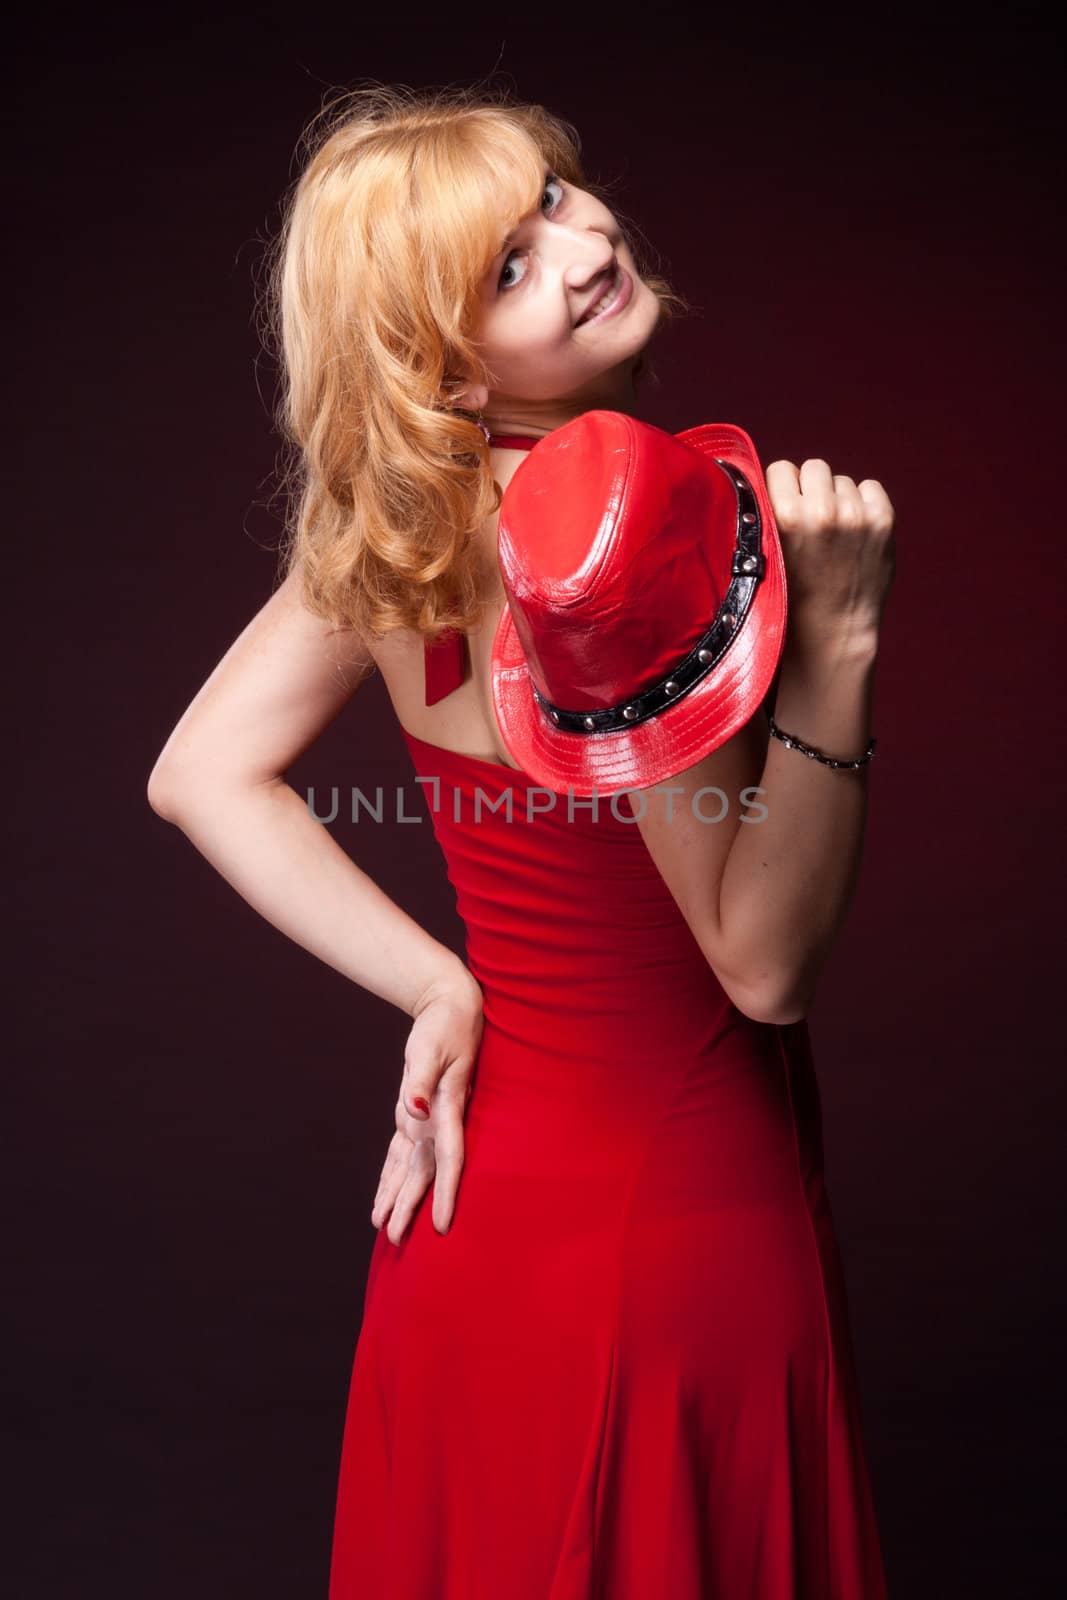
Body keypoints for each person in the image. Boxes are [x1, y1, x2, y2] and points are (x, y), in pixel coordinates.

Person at [147, 80, 895, 1599]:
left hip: (480, 1226)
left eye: (551, 195)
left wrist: (441, 984)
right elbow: (761, 966)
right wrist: (843, 644)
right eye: (504, 268)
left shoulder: (406, 525)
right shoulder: (618, 544)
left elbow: (200, 772)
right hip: (668, 1229)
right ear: (437, 360)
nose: (578, 242)